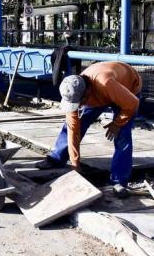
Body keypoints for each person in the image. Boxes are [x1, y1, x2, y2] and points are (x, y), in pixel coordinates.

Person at [36, 61, 142, 197]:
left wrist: (117, 124)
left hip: (128, 87)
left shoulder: (106, 83)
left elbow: (132, 104)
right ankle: (57, 158)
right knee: (75, 123)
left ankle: (119, 181)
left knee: (122, 136)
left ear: (87, 92)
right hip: (101, 93)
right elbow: (73, 128)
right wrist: (75, 165)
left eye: (79, 103)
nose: (78, 106)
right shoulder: (73, 89)